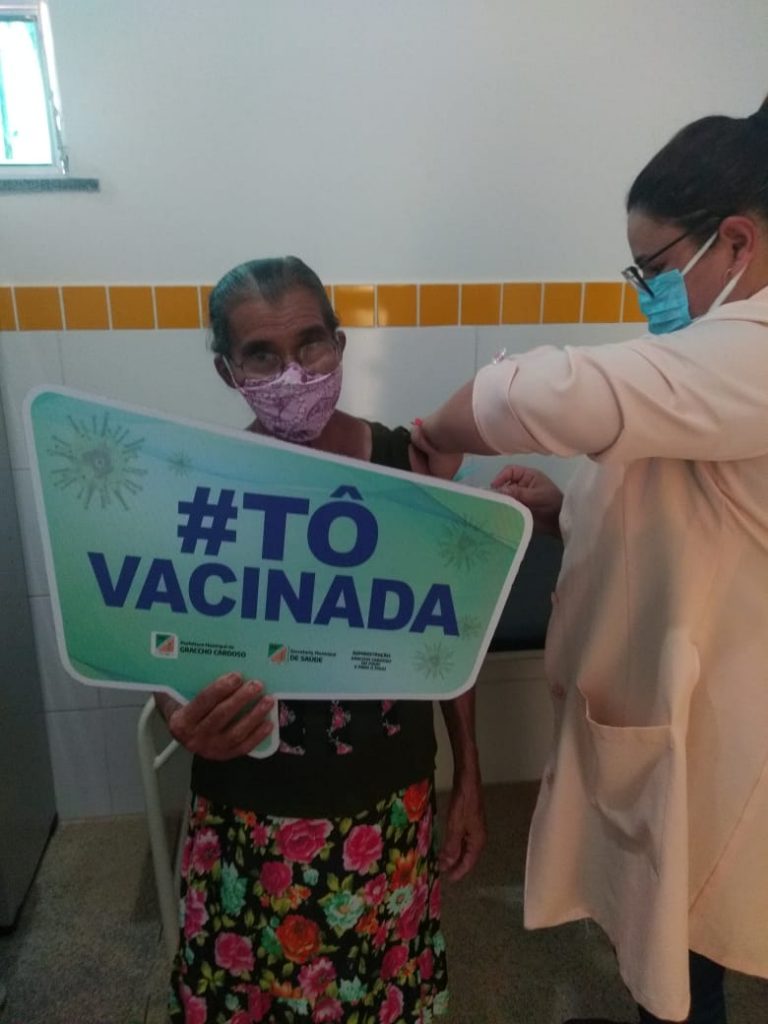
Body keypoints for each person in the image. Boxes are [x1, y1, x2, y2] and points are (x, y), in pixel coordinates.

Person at [412, 98, 768, 1024]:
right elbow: (692, 503)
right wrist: (565, 509)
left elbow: (538, 393)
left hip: (729, 723)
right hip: (681, 691)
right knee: (675, 934)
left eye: (654, 268)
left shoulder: (755, 350)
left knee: (693, 936)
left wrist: (434, 434)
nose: (645, 291)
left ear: (736, 242)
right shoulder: (719, 358)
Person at [155, 256, 487, 1024]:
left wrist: (470, 774)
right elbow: (159, 632)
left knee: (379, 993)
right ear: (227, 370)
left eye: (310, 343)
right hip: (250, 809)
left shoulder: (407, 468)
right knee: (257, 994)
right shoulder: (208, 487)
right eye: (261, 355)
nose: (293, 371)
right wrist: (177, 710)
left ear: (339, 344)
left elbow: (449, 639)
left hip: (387, 803)